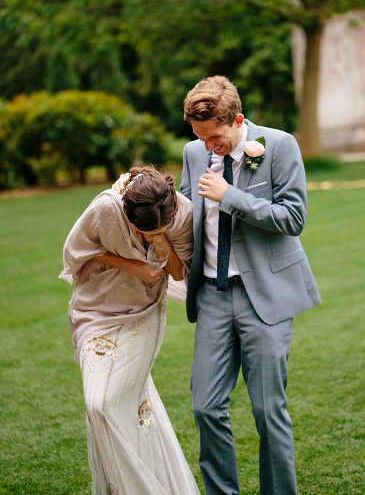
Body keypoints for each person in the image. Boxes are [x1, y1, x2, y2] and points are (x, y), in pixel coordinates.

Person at [181, 76, 321, 494]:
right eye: (200, 137)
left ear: (238, 120)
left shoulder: (278, 145)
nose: (208, 147)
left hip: (266, 296)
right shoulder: (193, 152)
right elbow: (188, 213)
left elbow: (293, 218)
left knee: (267, 411)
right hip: (212, 294)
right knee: (205, 406)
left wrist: (231, 196)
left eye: (216, 138)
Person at [61, 166, 199, 494]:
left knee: (123, 403)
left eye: (160, 228)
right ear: (127, 213)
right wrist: (132, 264)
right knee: (101, 405)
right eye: (143, 230)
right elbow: (76, 251)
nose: (148, 236)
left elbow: (180, 274)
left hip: (143, 313)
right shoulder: (106, 207)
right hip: (95, 309)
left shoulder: (183, 215)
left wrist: (159, 239)